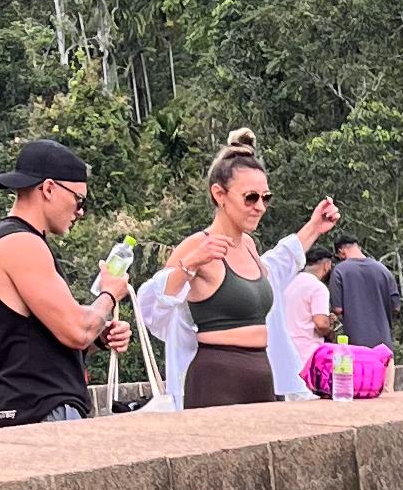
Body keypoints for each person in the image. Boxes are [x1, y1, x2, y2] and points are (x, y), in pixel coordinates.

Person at [139, 129, 338, 410]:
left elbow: (278, 265)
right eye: (250, 198)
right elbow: (153, 306)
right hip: (217, 377)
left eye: (265, 198)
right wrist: (190, 265)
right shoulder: (197, 245)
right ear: (219, 194)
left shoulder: (248, 246)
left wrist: (314, 228)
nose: (260, 207)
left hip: (261, 373)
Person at [0, 136, 130, 427]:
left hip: (25, 407)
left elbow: (36, 339)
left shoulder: (9, 241)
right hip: (44, 408)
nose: (80, 212)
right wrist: (109, 294)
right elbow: (76, 331)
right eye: (78, 200)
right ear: (48, 188)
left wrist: (99, 337)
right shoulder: (21, 244)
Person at [324, 223, 401, 397]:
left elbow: (337, 308)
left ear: (341, 252)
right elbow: (396, 306)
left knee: (361, 395)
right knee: (387, 395)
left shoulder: (340, 271)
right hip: (385, 348)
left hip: (356, 349)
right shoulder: (383, 270)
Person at [280, 233, 339, 391]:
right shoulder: (318, 287)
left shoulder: (288, 282)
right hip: (308, 355)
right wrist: (329, 329)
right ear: (326, 265)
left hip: (285, 353)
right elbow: (320, 324)